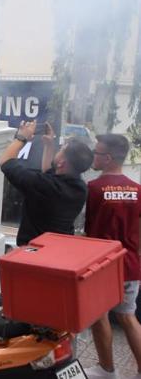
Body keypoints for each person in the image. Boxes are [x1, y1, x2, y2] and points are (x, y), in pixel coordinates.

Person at [83, 134, 141, 379]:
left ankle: (107, 370)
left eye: (96, 152)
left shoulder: (94, 189)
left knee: (99, 315)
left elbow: (87, 230)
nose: (92, 156)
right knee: (128, 317)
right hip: (130, 264)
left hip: (103, 266)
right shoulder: (138, 190)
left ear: (107, 158)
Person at [0, 120, 93, 246]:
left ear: (62, 163)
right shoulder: (80, 188)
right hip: (58, 248)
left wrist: (21, 137)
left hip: (34, 252)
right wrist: (49, 145)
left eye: (61, 150)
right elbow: (49, 172)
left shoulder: (46, 186)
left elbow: (6, 162)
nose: (58, 150)